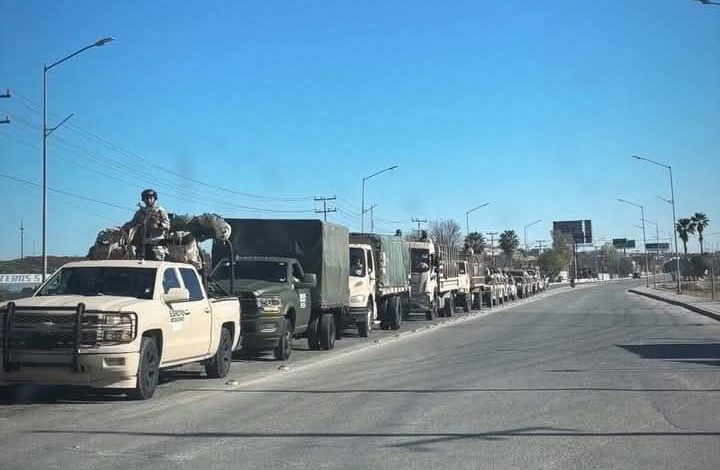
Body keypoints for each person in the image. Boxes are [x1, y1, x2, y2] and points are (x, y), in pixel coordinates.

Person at [122, 189, 170, 261]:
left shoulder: (160, 211)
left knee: (156, 267)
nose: (148, 200)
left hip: (157, 245)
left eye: (150, 198)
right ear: (143, 200)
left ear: (155, 199)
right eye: (146, 198)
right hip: (142, 246)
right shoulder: (140, 212)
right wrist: (122, 228)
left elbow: (167, 226)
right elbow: (132, 223)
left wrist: (158, 224)